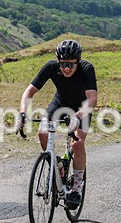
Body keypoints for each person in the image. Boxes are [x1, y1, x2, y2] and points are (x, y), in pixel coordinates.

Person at [16, 39, 98, 208]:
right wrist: (23, 112)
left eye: (70, 64)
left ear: (78, 61)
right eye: (63, 64)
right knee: (42, 133)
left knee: (78, 143)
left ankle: (76, 188)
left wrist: (78, 116)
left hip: (81, 107)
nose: (66, 68)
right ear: (58, 61)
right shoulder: (51, 67)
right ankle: (58, 165)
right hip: (60, 103)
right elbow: (29, 91)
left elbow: (92, 99)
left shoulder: (87, 69)